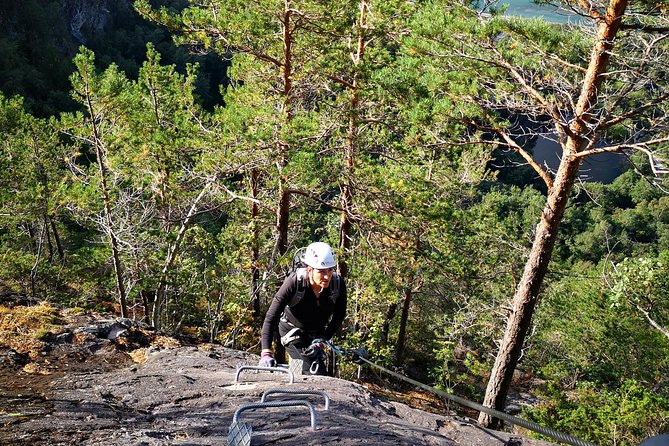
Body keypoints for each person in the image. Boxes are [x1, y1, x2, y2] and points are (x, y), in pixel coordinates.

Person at [259, 242, 347, 375]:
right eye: (321, 271)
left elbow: (339, 316)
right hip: (292, 331)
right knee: (310, 371)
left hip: (316, 334)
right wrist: (266, 352)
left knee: (319, 371)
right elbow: (271, 316)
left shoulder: (337, 284)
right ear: (309, 269)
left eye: (330, 270)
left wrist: (323, 339)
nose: (327, 276)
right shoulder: (294, 283)